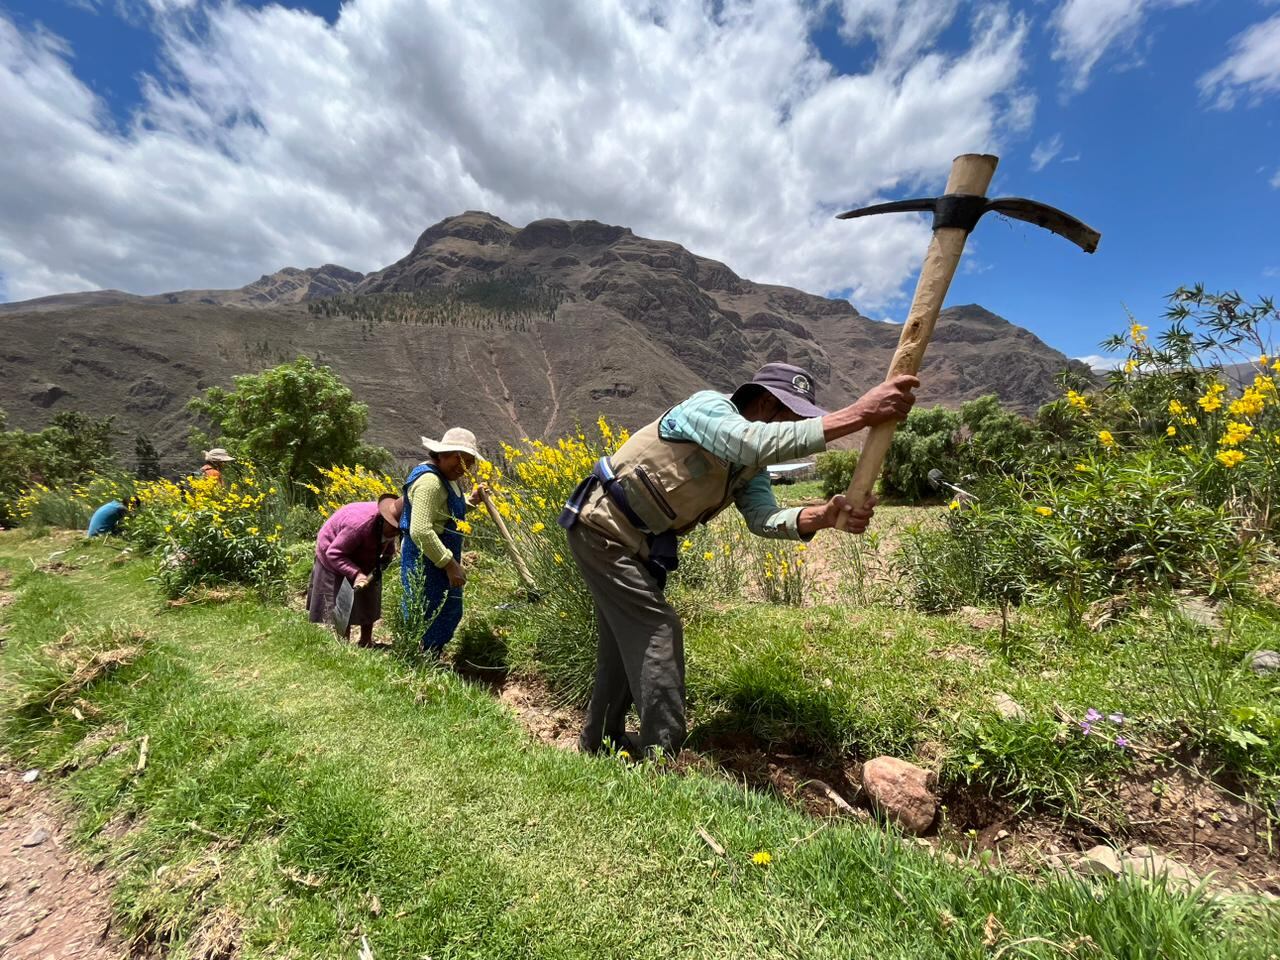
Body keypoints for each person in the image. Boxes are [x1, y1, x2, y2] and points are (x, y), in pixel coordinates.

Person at [559, 362, 919, 758]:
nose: (797, 423)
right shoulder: (708, 409)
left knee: (622, 645)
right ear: (766, 402)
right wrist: (858, 415)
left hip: (636, 546)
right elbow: (751, 442)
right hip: (602, 528)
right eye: (793, 414)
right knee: (658, 630)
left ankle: (598, 744)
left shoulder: (749, 470)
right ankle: (660, 759)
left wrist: (824, 516)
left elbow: (763, 518)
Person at [400, 428, 488, 655]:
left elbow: (445, 513)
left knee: (446, 609)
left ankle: (431, 656)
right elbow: (419, 531)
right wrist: (450, 564)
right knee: (427, 609)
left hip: (438, 558)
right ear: (441, 454)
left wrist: (472, 501)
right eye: (457, 459)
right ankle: (421, 661)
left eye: (468, 462)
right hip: (426, 560)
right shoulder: (430, 482)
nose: (462, 467)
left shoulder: (448, 479)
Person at [308, 493, 403, 647]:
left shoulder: (390, 526)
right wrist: (356, 573)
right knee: (342, 599)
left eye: (399, 530)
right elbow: (334, 553)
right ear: (384, 519)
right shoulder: (359, 525)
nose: (396, 533)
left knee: (369, 595)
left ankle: (366, 642)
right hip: (333, 551)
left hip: (361, 554)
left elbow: (387, 542)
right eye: (394, 529)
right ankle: (343, 645)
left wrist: (386, 556)